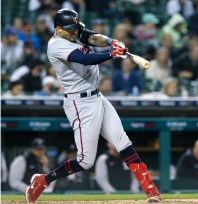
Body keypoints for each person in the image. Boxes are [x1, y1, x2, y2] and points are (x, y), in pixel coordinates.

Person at [25, 9, 161, 203]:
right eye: (70, 29)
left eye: (75, 28)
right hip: (80, 104)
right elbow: (85, 59)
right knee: (85, 161)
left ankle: (151, 189)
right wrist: (112, 54)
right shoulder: (55, 45)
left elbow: (90, 36)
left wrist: (111, 41)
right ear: (58, 29)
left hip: (98, 98)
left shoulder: (73, 32)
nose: (75, 33)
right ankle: (43, 180)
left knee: (123, 143)